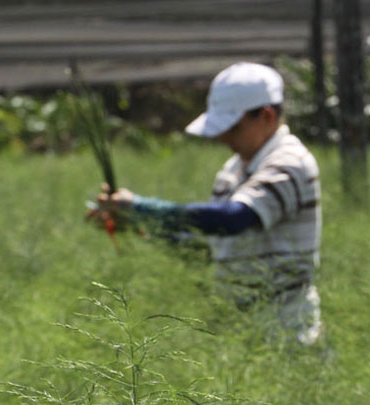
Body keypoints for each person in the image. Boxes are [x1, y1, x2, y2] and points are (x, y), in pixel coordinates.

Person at [93, 62, 323, 346]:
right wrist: (136, 225)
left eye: (233, 128)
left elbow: (232, 220)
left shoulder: (290, 163)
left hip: (286, 334)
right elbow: (205, 248)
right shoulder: (233, 171)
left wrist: (142, 207)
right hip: (237, 333)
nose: (222, 137)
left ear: (266, 116)